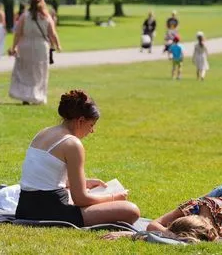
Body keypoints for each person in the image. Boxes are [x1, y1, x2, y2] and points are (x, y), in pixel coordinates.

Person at [15, 89, 140, 227]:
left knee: (85, 192)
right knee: (131, 210)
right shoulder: (72, 143)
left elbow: (43, 179)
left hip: (25, 207)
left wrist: (85, 183)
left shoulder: (44, 132)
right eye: (91, 125)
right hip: (51, 212)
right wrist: (114, 197)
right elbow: (80, 199)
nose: (92, 131)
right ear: (80, 121)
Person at [104, 183, 222, 243]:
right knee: (201, 203)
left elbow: (184, 242)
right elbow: (153, 225)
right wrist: (166, 233)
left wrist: (135, 235)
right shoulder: (194, 206)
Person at [9, 0, 61, 105]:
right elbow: (52, 33)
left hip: (25, 45)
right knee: (40, 72)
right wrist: (58, 45)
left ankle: (25, 96)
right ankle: (38, 96)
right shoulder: (46, 17)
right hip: (40, 46)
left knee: (25, 71)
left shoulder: (24, 16)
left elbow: (18, 33)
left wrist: (14, 46)